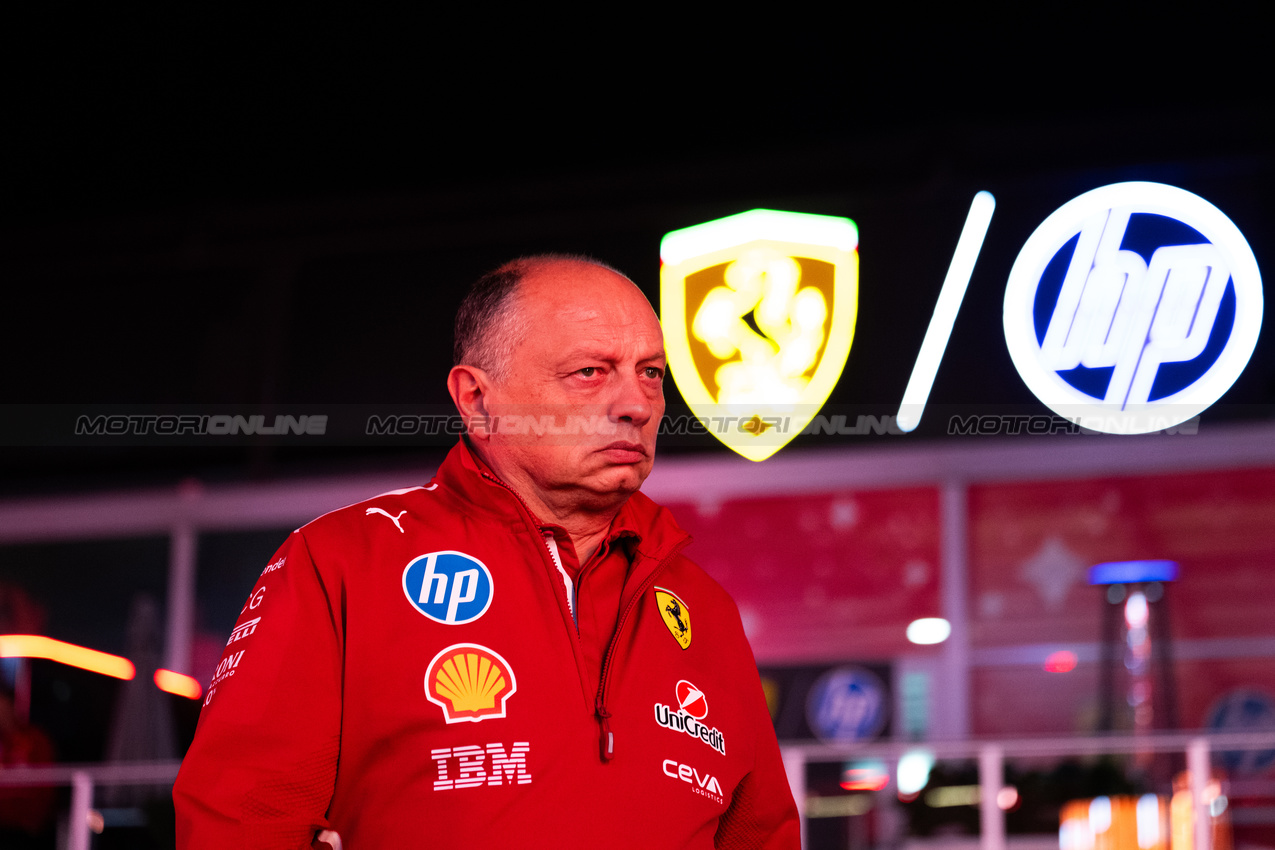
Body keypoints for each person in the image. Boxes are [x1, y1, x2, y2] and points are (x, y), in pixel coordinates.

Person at [173, 256, 799, 848]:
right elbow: (239, 820)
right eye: (590, 372)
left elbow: (764, 833)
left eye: (651, 373)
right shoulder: (342, 562)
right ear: (477, 398)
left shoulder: (704, 609)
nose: (637, 405)